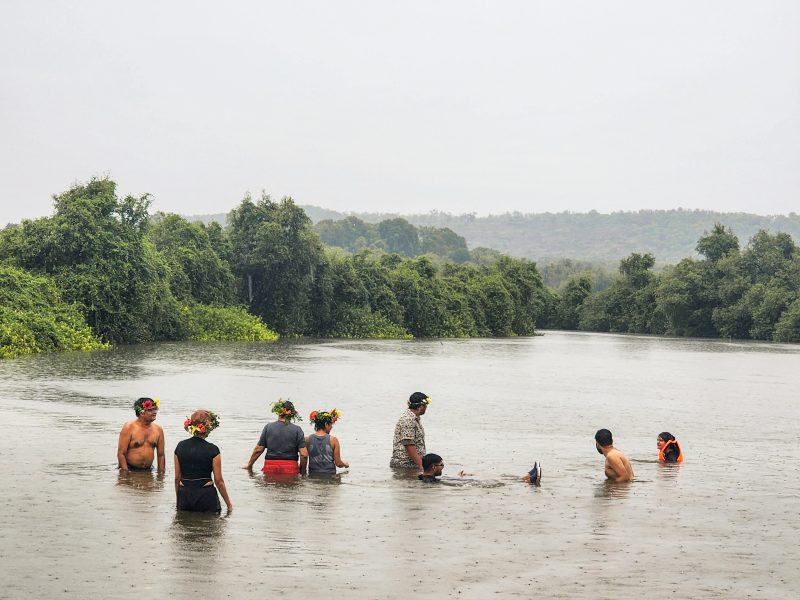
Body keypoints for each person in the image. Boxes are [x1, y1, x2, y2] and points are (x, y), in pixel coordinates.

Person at [174, 410, 233, 513]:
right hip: (205, 495)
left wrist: (178, 498)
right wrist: (229, 504)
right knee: (209, 527)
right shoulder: (213, 449)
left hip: (184, 494)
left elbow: (177, 477)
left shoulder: (180, 446)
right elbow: (219, 480)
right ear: (208, 427)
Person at [244, 400, 308, 476]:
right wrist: (302, 472)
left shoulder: (268, 427)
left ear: (277, 412)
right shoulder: (297, 430)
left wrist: (249, 465)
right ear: (292, 413)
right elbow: (304, 455)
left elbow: (258, 450)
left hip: (270, 466)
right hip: (290, 468)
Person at [117, 397, 165, 472]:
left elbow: (161, 455)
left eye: (155, 409)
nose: (154, 412)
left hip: (148, 470)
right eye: (150, 410)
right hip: (130, 469)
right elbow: (121, 453)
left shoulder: (158, 430)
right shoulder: (129, 427)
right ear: (141, 412)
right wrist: (125, 474)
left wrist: (161, 476)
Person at [390, 392, 431, 470]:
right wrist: (421, 465)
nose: (426, 407)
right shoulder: (408, 419)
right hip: (405, 465)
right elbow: (408, 444)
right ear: (420, 406)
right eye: (425, 405)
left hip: (412, 464)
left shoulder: (414, 418)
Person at [305, 408, 349, 475]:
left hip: (313, 475)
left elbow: (304, 457)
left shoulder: (308, 439)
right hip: (329, 475)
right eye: (331, 424)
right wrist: (345, 464)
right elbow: (338, 463)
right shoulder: (333, 440)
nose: (332, 427)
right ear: (326, 424)